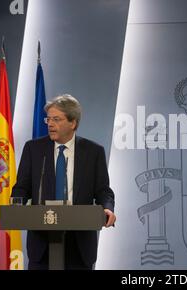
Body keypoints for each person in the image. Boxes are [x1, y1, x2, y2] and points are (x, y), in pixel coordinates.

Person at [12, 94, 116, 270]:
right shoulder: (34, 149)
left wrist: (107, 207)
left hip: (79, 245)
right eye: (48, 119)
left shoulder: (93, 152)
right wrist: (16, 205)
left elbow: (103, 190)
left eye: (56, 119)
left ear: (73, 123)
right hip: (42, 246)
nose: (50, 124)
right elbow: (21, 188)